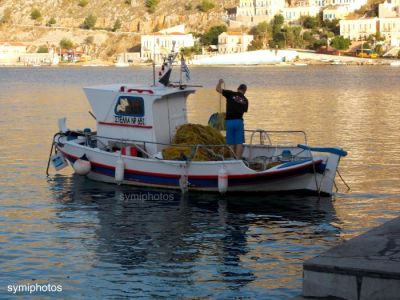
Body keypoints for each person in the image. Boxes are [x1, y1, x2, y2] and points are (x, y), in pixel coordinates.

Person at [216, 79, 248, 159]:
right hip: (239, 122)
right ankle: (237, 160)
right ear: (245, 91)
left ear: (238, 88)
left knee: (231, 143)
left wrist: (220, 82)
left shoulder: (230, 93)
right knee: (239, 142)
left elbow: (218, 89)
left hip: (229, 122)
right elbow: (243, 111)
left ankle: (231, 159)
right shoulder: (245, 100)